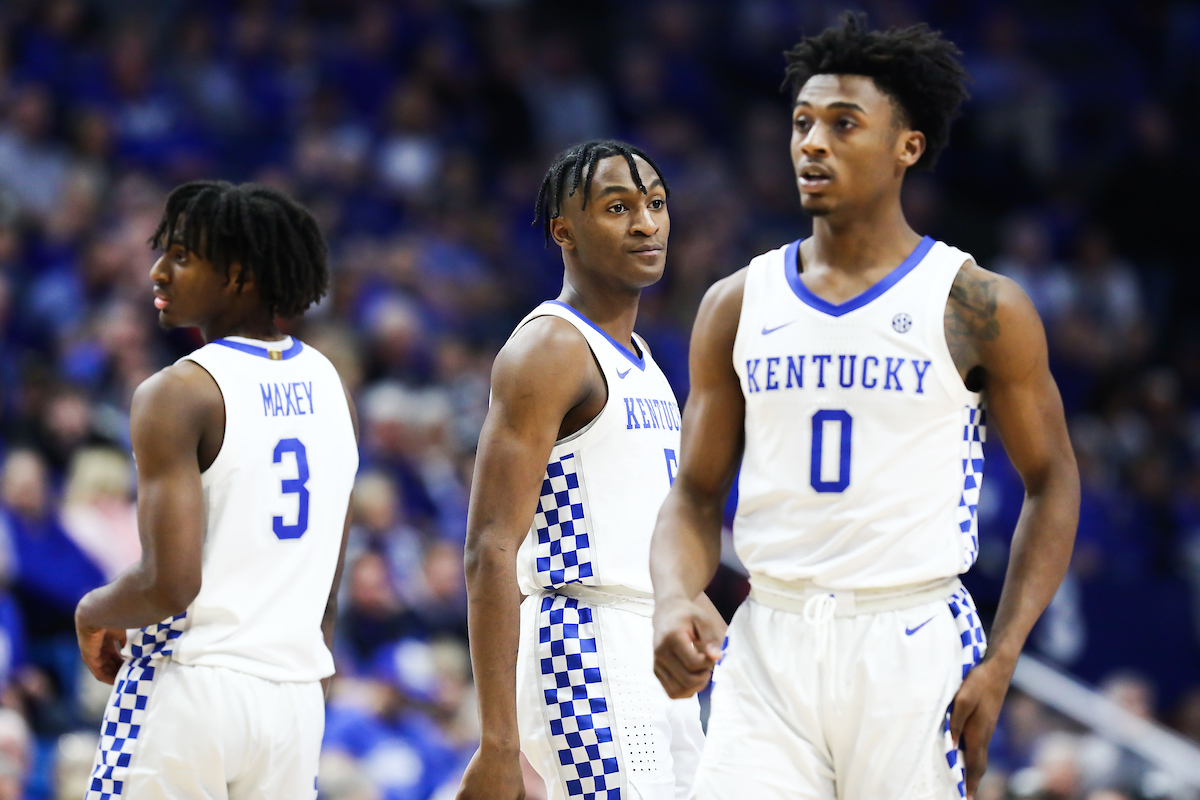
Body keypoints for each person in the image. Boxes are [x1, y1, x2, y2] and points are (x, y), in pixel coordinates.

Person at [649, 15, 1080, 800]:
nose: (812, 143)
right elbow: (695, 493)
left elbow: (1053, 480)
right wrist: (675, 597)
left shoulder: (976, 305)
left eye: (843, 124)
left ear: (906, 146)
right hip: (770, 638)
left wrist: (1004, 654)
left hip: (910, 644)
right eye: (802, 123)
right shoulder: (736, 303)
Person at [74, 180, 360, 799]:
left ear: (237, 276)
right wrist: (307, 685)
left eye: (181, 255)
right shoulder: (329, 381)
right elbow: (327, 582)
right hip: (292, 698)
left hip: (190, 686)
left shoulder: (177, 393)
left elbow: (169, 584)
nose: (158, 270)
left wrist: (92, 610)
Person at [458, 140, 708, 800]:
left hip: (649, 642)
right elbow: (490, 547)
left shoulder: (645, 360)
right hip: (584, 643)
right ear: (564, 229)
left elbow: (632, 525)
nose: (646, 223)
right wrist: (498, 743)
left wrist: (694, 603)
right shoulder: (550, 346)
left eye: (655, 204)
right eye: (619, 207)